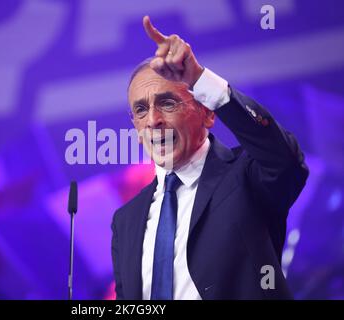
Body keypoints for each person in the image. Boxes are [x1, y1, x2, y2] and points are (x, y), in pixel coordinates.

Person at [111, 16, 309, 300]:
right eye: (141, 110)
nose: (153, 120)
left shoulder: (246, 177)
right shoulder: (125, 220)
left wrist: (199, 78)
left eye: (167, 103)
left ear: (207, 112)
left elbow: (285, 159)